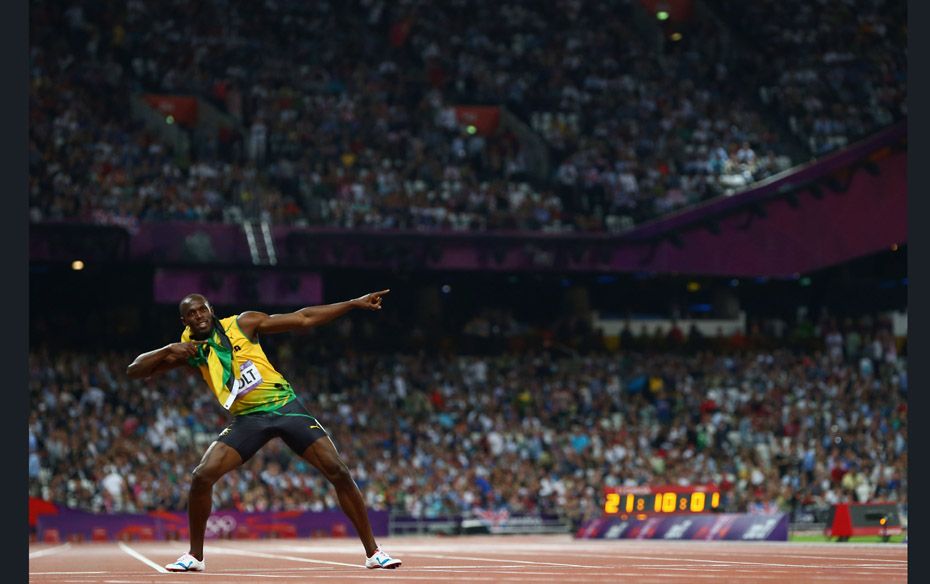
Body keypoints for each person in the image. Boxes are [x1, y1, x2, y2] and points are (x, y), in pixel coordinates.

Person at [126, 291, 401, 572]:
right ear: (184, 321)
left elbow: (303, 318)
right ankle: (195, 557)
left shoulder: (243, 324)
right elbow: (134, 371)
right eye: (191, 314)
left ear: (211, 309)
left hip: (285, 407)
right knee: (201, 476)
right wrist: (168, 350)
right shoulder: (190, 350)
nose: (199, 316)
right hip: (248, 419)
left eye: (202, 310)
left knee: (338, 471)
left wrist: (352, 303)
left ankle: (374, 552)